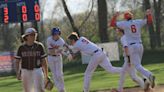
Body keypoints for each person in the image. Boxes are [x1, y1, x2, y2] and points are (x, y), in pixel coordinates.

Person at [109, 9, 155, 89]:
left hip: (132, 46)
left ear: (125, 18)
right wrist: (148, 14)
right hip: (140, 45)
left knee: (137, 66)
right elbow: (149, 21)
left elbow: (112, 24)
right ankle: (145, 80)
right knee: (138, 65)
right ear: (132, 16)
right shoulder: (138, 22)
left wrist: (115, 15)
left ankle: (149, 75)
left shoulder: (124, 24)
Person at [15, 28, 49, 92]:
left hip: (37, 69)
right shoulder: (21, 48)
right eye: (32, 35)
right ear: (26, 36)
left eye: (35, 34)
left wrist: (46, 75)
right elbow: (17, 61)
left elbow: (44, 61)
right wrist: (18, 73)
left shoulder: (39, 46)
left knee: (40, 89)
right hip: (25, 71)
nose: (34, 36)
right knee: (27, 90)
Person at [46, 27, 69, 92]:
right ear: (53, 34)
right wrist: (59, 50)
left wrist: (67, 52)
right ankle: (60, 90)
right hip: (51, 57)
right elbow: (50, 51)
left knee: (59, 74)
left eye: (58, 33)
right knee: (54, 74)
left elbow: (66, 48)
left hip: (58, 57)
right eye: (55, 34)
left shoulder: (61, 40)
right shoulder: (49, 39)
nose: (57, 35)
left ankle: (62, 89)